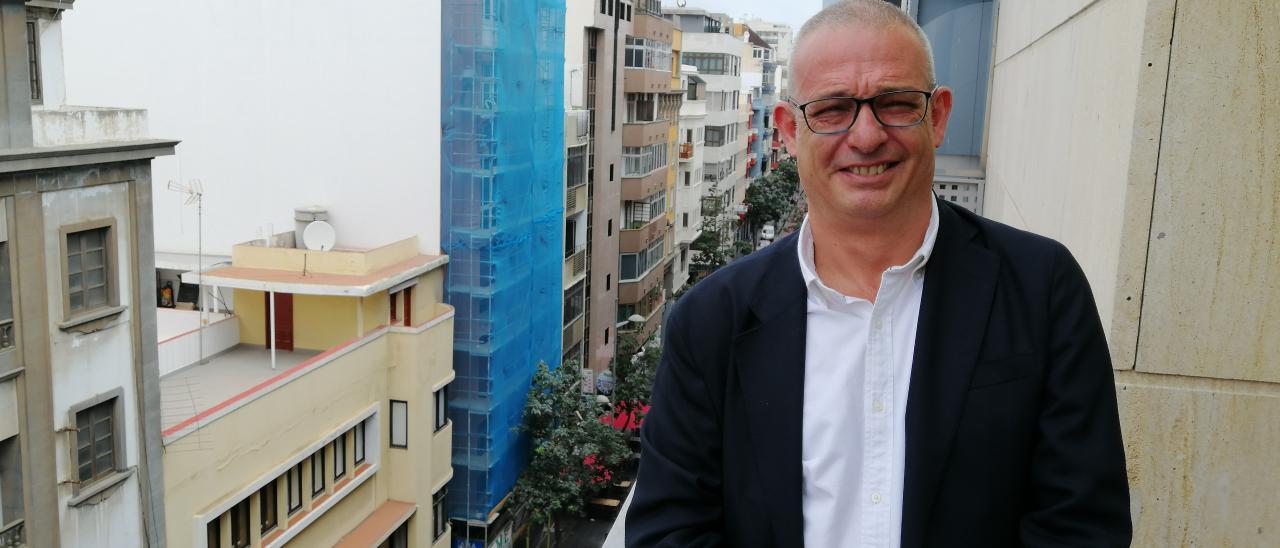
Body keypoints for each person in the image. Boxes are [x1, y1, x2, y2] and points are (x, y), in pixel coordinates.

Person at [626, 1, 1131, 546]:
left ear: (937, 117)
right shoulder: (712, 319)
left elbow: (1082, 525)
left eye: (894, 103)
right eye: (833, 109)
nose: (866, 137)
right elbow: (669, 531)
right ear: (789, 130)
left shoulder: (1041, 287)